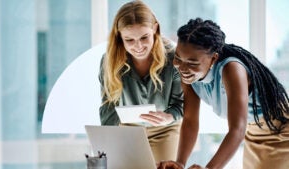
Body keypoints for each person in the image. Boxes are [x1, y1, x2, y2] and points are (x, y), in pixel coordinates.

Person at [158, 18, 289, 169]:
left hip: (280, 131)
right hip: (252, 131)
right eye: (178, 58)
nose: (182, 67)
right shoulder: (187, 74)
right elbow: (190, 120)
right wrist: (180, 162)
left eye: (192, 63)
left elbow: (236, 129)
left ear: (214, 58)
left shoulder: (231, 69)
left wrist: (209, 168)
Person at [98, 0, 183, 163]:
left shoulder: (174, 58)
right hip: (127, 129)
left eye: (145, 37)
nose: (138, 46)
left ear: (155, 29)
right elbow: (108, 106)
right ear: (119, 37)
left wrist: (169, 116)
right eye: (129, 40)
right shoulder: (109, 62)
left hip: (165, 129)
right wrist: (107, 143)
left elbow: (181, 103)